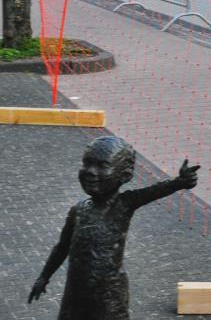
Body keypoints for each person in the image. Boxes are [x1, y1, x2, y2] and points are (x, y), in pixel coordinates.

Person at [28, 136, 200, 319]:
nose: (91, 171)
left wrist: (180, 182)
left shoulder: (124, 204)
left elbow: (154, 191)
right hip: (76, 292)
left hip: (109, 295)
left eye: (102, 165)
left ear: (124, 175)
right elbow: (62, 247)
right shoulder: (78, 210)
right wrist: (44, 276)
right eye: (87, 163)